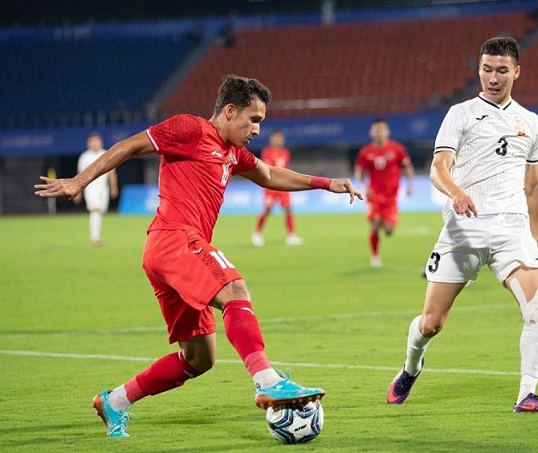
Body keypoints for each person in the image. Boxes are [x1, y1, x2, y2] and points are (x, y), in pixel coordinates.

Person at [35, 74, 362, 438]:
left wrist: (326, 182)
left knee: (199, 359)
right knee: (235, 290)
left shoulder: (232, 153)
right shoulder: (189, 129)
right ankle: (267, 381)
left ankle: (115, 401)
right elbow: (129, 146)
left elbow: (269, 174)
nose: (257, 129)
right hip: (174, 239)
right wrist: (79, 182)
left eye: (261, 122)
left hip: (168, 254)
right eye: (253, 120)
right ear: (230, 110)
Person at [386, 37, 538, 413]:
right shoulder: (461, 114)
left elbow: (532, 186)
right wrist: (456, 193)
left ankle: (526, 395)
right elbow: (438, 168)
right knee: (432, 323)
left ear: (516, 71)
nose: (493, 78)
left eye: (501, 70)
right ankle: (411, 367)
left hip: (513, 228)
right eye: (486, 69)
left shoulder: (532, 123)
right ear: (479, 70)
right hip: (464, 228)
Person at [354, 118, 414, 267]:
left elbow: (407, 167)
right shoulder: (366, 152)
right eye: (376, 129)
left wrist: (410, 185)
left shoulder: (397, 149)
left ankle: (382, 219)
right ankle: (375, 256)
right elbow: (359, 172)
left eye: (382, 129)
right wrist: (363, 186)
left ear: (388, 131)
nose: (379, 132)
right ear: (371, 132)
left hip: (391, 196)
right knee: (374, 224)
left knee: (388, 230)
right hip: (374, 194)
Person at [251, 130, 303, 247]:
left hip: (283, 186)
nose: (278, 140)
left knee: (288, 209)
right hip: (271, 186)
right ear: (272, 139)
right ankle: (257, 234)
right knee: (267, 209)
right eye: (276, 138)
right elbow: (267, 169)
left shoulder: (285, 152)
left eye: (280, 138)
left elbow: (285, 169)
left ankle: (291, 236)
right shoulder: (267, 152)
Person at [74, 132, 118, 246]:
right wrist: (77, 191)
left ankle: (96, 235)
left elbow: (111, 173)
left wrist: (113, 187)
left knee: (100, 211)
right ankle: (95, 238)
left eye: (96, 141)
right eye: (92, 141)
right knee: (96, 209)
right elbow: (80, 174)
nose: (95, 144)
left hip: (103, 188)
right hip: (90, 188)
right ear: (89, 143)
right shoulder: (85, 157)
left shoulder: (106, 154)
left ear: (101, 142)